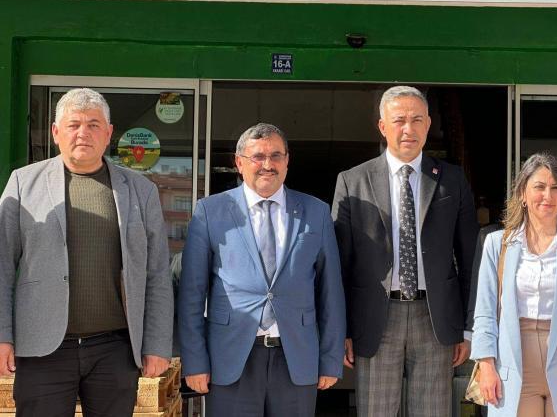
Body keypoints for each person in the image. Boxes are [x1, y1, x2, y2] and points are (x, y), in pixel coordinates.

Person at [0, 88, 173, 417]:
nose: (83, 133)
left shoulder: (141, 190)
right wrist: (2, 336)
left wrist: (157, 344)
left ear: (108, 133)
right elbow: (1, 266)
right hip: (41, 350)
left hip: (115, 349)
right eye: (74, 124)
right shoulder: (23, 183)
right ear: (56, 132)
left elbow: (157, 274)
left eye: (94, 125)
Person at [178, 123, 345, 417]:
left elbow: (331, 291)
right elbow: (192, 293)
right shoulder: (210, 212)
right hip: (230, 359)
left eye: (276, 155)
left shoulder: (316, 212)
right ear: (239, 163)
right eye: (258, 156)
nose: (268, 164)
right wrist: (194, 361)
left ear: (287, 161)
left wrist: (331, 359)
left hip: (296, 359)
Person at [332, 85, 479, 417]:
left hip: (436, 317)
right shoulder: (353, 181)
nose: (408, 129)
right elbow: (340, 265)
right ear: (383, 126)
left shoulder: (452, 179)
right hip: (374, 318)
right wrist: (342, 330)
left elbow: (470, 259)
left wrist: (468, 326)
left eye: (417, 120)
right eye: (399, 120)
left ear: (428, 124)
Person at [471, 153, 557, 417]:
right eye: (539, 187)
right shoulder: (497, 244)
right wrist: (486, 365)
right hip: (514, 371)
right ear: (523, 193)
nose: (548, 195)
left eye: (556, 188)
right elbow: (485, 313)